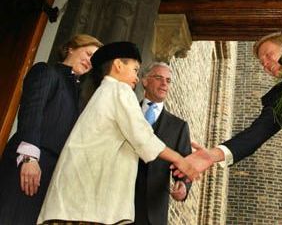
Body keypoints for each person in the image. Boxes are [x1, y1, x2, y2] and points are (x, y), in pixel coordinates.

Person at [180, 32, 282, 225]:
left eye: (268, 55)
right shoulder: (280, 98)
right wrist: (212, 155)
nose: (266, 64)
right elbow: (254, 135)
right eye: (262, 63)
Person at [37, 42, 199, 225]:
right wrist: (179, 159)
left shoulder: (102, 92)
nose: (136, 78)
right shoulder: (120, 90)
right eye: (135, 70)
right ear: (118, 65)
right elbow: (142, 136)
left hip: (71, 199)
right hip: (88, 204)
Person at [0, 34, 102, 225]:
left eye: (93, 61)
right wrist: (30, 158)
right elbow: (32, 112)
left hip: (47, 174)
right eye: (88, 54)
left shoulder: (77, 95)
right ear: (71, 48)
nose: (89, 62)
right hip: (26, 165)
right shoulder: (46, 71)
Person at [134, 62, 192, 225]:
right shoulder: (128, 111)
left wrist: (183, 186)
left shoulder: (179, 126)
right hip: (116, 201)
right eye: (159, 78)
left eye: (168, 80)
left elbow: (185, 163)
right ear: (145, 81)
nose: (164, 83)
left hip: (152, 209)